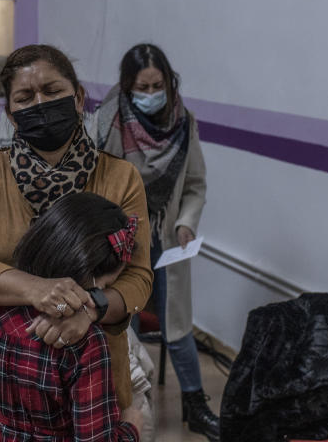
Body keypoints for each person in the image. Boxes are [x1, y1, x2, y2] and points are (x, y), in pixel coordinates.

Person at [0, 44, 153, 442]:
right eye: (25, 97)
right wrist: (41, 291)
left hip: (94, 375)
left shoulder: (120, 178)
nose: (40, 102)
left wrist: (89, 309)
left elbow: (139, 278)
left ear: (77, 97)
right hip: (9, 377)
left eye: (52, 90)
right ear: (10, 112)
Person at [93, 43, 216, 440]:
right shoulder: (109, 120)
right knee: (118, 321)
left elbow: (195, 184)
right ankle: (119, 402)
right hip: (120, 240)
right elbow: (94, 182)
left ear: (168, 81)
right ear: (128, 86)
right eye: (141, 87)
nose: (150, 94)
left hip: (166, 237)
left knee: (177, 325)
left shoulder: (185, 122)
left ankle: (196, 404)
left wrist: (186, 222)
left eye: (157, 84)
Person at [0, 191, 142, 441]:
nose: (98, 296)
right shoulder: (84, 342)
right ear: (83, 276)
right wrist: (131, 427)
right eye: (101, 287)